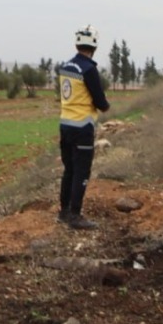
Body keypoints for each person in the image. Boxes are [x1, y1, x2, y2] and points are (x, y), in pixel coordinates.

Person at [57, 24, 111, 230]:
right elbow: (100, 102)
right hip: (82, 127)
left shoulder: (66, 67)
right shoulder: (89, 69)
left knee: (69, 169)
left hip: (65, 124)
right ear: (94, 46)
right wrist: (105, 106)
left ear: (77, 43)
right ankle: (75, 215)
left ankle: (63, 211)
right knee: (82, 171)